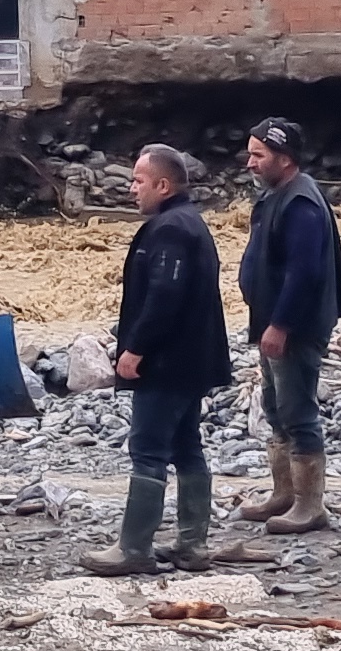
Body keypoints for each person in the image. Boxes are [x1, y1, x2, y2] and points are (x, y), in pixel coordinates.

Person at [83, 143, 232, 577]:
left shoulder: (170, 230)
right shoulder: (189, 223)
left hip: (167, 362)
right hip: (193, 361)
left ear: (163, 185)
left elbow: (166, 295)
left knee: (147, 449)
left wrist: (136, 348)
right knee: (186, 446)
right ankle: (191, 544)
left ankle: (134, 547)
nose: (132, 189)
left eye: (139, 181)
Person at [231, 116, 341, 535]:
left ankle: (308, 504)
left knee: (297, 411)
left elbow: (305, 273)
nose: (249, 163)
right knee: (275, 406)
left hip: (294, 327)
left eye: (258, 155)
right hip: (272, 321)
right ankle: (284, 494)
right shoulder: (275, 194)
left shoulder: (302, 203)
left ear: (284, 159)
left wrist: (280, 325)